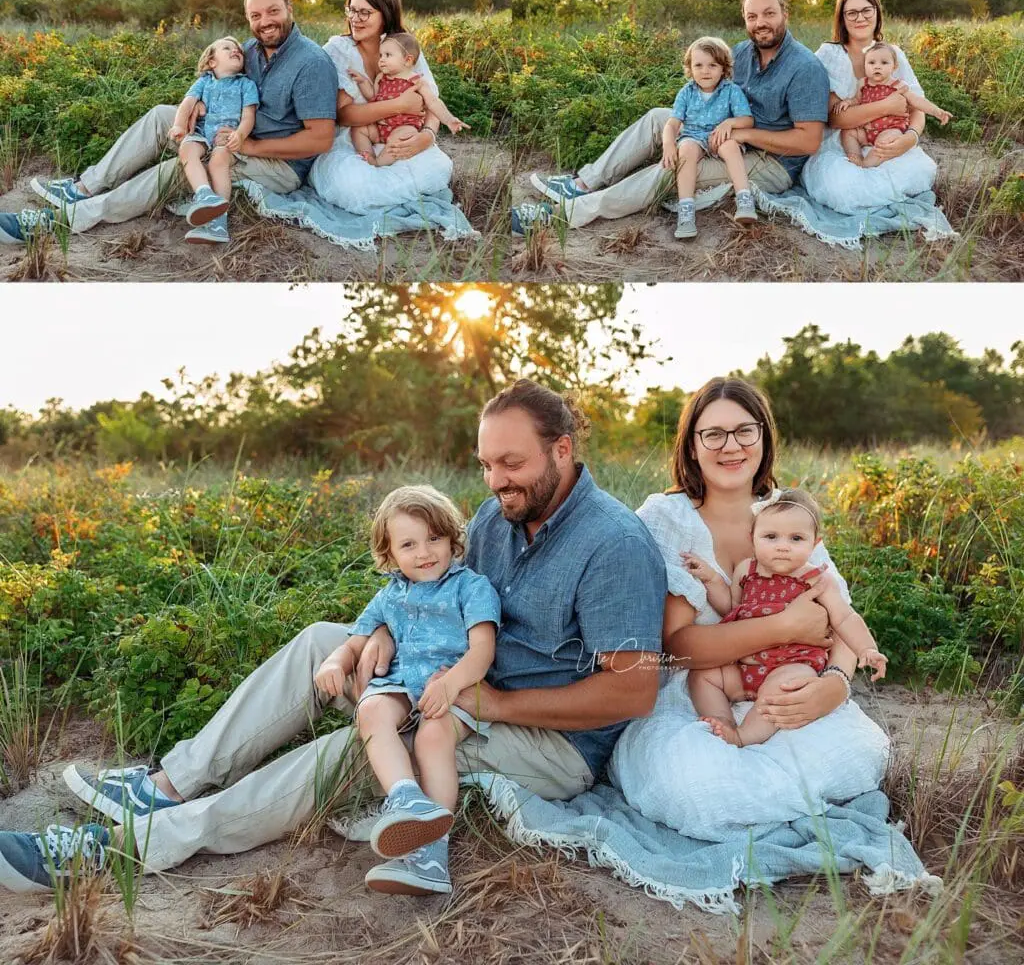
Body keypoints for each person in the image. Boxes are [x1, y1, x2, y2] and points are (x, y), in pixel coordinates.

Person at [0, 380, 665, 897]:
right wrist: (382, 633)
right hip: (457, 684)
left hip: (549, 742)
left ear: (562, 450)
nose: (495, 483)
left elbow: (632, 693)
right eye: (486, 464)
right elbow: (445, 594)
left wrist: (494, 703)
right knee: (327, 640)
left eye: (511, 463)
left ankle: (130, 847)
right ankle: (171, 782)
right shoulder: (499, 516)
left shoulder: (613, 544)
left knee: (366, 744)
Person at [609, 377, 890, 841]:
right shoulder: (667, 519)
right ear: (692, 446)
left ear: (763, 437)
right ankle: (746, 785)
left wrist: (835, 686)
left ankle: (766, 801)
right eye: (713, 434)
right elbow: (677, 646)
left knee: (856, 752)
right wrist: (783, 626)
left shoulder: (788, 514)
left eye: (744, 431)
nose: (731, 446)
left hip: (787, 682)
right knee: (696, 783)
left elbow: (837, 615)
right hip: (701, 691)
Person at [1, 0, 337, 246]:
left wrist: (249, 146)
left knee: (185, 165)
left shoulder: (311, 63)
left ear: (290, 8)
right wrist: (199, 105)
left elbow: (320, 140)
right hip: (230, 133)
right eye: (255, 15)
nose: (265, 22)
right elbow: (217, 77)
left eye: (273, 11)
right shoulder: (249, 49)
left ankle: (65, 219)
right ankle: (85, 187)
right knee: (163, 114)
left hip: (277, 164)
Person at [512, 0, 828, 235]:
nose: (760, 23)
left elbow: (809, 141)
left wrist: (742, 133)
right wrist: (690, 128)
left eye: (769, 13)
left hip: (771, 162)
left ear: (785, 14)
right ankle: (582, 185)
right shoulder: (742, 52)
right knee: (658, 118)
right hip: (722, 133)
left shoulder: (805, 67)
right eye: (752, 16)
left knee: (675, 166)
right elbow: (715, 94)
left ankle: (563, 215)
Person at [328, 485, 499, 894]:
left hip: (454, 685)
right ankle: (407, 798)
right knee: (371, 712)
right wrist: (335, 662)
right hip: (401, 682)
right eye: (408, 544)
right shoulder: (390, 595)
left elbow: (483, 651)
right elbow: (356, 641)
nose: (424, 553)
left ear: (453, 540)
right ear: (389, 554)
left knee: (432, 738)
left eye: (434, 538)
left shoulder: (471, 587)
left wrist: (452, 683)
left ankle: (431, 857)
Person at [685, 487, 887, 747]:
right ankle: (722, 719)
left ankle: (744, 736)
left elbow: (844, 618)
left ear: (814, 543)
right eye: (771, 536)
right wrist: (711, 579)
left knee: (783, 691)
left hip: (792, 664)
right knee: (703, 675)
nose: (782, 547)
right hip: (745, 665)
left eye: (796, 538)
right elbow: (732, 609)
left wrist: (866, 648)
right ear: (752, 538)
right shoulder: (747, 571)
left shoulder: (817, 579)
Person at [310, 0, 458, 213]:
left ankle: (385, 192)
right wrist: (399, 105)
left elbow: (431, 101)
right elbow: (343, 115)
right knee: (352, 185)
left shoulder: (405, 47)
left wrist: (427, 136)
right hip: (354, 141)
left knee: (438, 167)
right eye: (352, 10)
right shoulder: (338, 50)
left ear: (386, 14)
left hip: (399, 135)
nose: (355, 18)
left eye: (365, 12)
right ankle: (382, 192)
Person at [799, 0, 945, 214]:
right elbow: (836, 119)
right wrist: (886, 106)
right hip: (843, 143)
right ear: (842, 18)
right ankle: (867, 191)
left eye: (867, 10)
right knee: (842, 187)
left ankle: (877, 194)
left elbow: (916, 106)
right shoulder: (829, 54)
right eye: (852, 13)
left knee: (920, 171)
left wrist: (910, 139)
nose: (860, 18)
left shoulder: (893, 53)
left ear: (877, 12)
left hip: (888, 137)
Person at [662, 35, 757, 239]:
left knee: (730, 146)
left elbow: (747, 120)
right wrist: (668, 144)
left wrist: (729, 123)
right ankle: (686, 212)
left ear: (723, 68)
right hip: (693, 136)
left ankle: (745, 199)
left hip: (719, 136)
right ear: (690, 68)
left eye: (712, 65)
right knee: (685, 150)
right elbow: (672, 124)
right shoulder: (686, 92)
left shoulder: (731, 91)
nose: (705, 71)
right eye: (698, 65)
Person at [168, 36, 260, 243]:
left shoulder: (246, 84)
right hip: (202, 132)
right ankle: (205, 194)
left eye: (238, 50)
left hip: (226, 136)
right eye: (227, 48)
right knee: (187, 149)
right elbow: (187, 103)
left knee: (218, 162)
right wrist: (179, 125)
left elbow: (249, 116)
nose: (235, 51)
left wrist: (240, 135)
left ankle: (218, 225)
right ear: (212, 62)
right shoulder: (204, 81)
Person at [349, 33, 468, 167]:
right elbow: (373, 97)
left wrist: (449, 119)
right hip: (380, 126)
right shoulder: (381, 78)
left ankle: (379, 162)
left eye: (388, 55)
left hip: (404, 126)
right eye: (381, 55)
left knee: (400, 139)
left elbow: (433, 102)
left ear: (407, 60)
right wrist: (363, 82)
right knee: (359, 129)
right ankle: (368, 154)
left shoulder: (417, 81)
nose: (381, 60)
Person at [836, 41, 951, 169]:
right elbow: (857, 100)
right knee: (848, 132)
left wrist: (936, 111)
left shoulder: (898, 85)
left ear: (894, 66)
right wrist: (848, 102)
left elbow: (917, 101)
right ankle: (855, 156)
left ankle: (866, 165)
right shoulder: (863, 83)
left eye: (884, 63)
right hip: (866, 129)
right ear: (865, 66)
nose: (877, 67)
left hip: (890, 128)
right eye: (871, 63)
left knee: (885, 143)